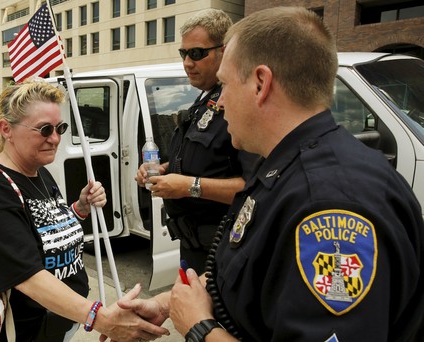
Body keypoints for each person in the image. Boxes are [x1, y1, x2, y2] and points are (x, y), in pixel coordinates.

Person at [119, 6, 424, 342]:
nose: (219, 104)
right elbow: (257, 272)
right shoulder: (285, 167)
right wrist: (170, 302)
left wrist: (200, 328)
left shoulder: (327, 203)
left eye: (225, 85)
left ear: (261, 83)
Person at [0, 80, 169, 342]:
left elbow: (43, 230)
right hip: (27, 331)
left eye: (60, 128)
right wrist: (101, 318)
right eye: (44, 129)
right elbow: (26, 275)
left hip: (62, 320)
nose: (55, 138)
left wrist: (80, 208)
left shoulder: (40, 171)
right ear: (6, 129)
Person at [135, 9, 253, 275]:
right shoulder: (203, 101)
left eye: (197, 53)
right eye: (183, 54)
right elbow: (202, 161)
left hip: (223, 252)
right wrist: (163, 170)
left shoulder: (238, 103)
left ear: (224, 52)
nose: (187, 62)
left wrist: (189, 186)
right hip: (193, 247)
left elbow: (254, 188)